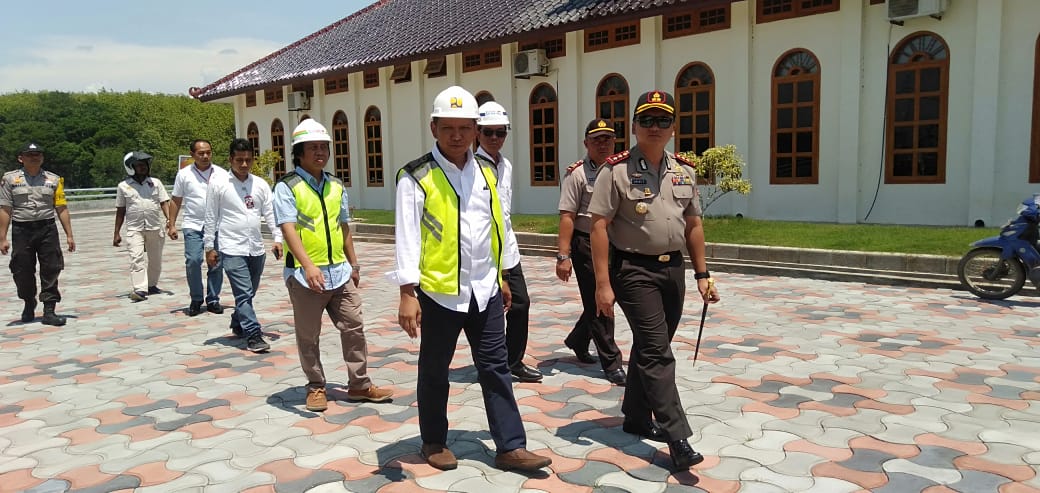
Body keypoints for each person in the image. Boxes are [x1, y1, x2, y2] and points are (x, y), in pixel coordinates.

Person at [390, 86, 551, 473]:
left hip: (485, 289)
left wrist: (504, 275)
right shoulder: (416, 176)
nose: (457, 135)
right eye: (448, 127)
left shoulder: (486, 172)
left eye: (465, 127)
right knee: (435, 370)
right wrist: (407, 292)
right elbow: (407, 236)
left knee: (496, 368)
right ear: (434, 127)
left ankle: (511, 446)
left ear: (476, 129)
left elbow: (497, 226)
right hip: (440, 293)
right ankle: (433, 441)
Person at [588, 90, 720, 471]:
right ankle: (677, 437)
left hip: (672, 271)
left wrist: (702, 274)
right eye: (647, 120)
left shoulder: (685, 171)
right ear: (634, 126)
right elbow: (598, 227)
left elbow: (693, 225)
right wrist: (602, 285)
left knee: (650, 348)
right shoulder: (615, 171)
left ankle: (635, 415)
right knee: (658, 352)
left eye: (663, 120)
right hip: (633, 271)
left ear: (673, 128)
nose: (655, 127)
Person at [273, 118, 392, 412]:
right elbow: (288, 228)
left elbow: (343, 226)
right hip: (305, 276)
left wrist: (354, 263)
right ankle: (316, 386)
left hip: (339, 272)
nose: (320, 152)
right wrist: (308, 266)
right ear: (299, 152)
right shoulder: (287, 187)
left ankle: (359, 384)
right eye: (312, 147)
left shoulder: (336, 185)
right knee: (308, 335)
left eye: (324, 147)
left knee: (354, 326)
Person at [474, 101, 541, 383]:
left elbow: (504, 214)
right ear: (477, 132)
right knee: (484, 312)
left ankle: (512, 360)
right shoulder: (472, 167)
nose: (494, 138)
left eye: (500, 132)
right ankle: (491, 364)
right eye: (488, 132)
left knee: (520, 304)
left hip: (508, 251)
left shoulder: (506, 165)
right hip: (484, 254)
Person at [556, 120, 625, 385]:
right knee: (600, 301)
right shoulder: (577, 174)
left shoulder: (622, 170)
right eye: (596, 139)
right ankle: (612, 362)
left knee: (608, 296)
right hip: (586, 243)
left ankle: (578, 339)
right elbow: (567, 216)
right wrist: (563, 256)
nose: (602, 144)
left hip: (616, 242)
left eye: (607, 138)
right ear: (586, 143)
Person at [204, 138, 283, 353]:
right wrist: (209, 247)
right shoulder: (219, 184)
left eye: (248, 160)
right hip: (231, 247)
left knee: (249, 292)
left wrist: (278, 238)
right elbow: (210, 216)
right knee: (243, 292)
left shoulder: (260, 184)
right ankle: (253, 335)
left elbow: (271, 213)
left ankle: (238, 321)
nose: (244, 164)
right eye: (239, 160)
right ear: (231, 159)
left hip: (255, 247)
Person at [0, 143, 75, 326]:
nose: (34, 158)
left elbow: (61, 207)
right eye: (30, 154)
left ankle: (49, 310)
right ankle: (28, 301)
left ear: (42, 158)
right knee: (22, 270)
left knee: (51, 268)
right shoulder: (10, 179)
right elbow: (5, 208)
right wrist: (2, 237)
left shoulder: (53, 179)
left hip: (47, 228)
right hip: (22, 230)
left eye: (38, 154)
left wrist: (69, 235)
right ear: (21, 158)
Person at [169, 139, 228, 316]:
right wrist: (171, 224)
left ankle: (213, 299)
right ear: (192, 154)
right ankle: (196, 298)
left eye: (208, 152)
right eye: (201, 153)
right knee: (193, 261)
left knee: (216, 263)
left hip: (216, 225)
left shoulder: (221, 173)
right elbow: (176, 199)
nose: (205, 156)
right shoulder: (184, 174)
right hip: (193, 224)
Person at [113, 151, 172, 302]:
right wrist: (116, 233)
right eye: (139, 165)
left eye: (144, 165)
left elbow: (164, 202)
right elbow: (120, 210)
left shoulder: (156, 183)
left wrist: (170, 221)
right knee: (136, 258)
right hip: (135, 229)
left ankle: (151, 285)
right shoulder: (123, 186)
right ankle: (140, 289)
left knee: (155, 260)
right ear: (131, 168)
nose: (143, 167)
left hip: (155, 227)